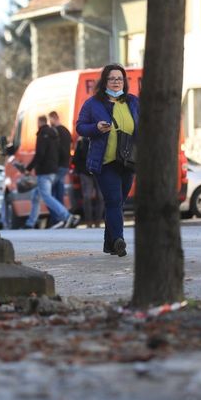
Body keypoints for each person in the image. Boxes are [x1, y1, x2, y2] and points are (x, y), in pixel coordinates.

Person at [75, 64, 139, 257]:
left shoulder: (133, 102)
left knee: (118, 203)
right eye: (112, 79)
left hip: (128, 161)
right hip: (106, 161)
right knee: (113, 200)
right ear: (104, 81)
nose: (116, 82)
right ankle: (119, 239)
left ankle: (109, 244)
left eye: (120, 79)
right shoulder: (93, 103)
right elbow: (80, 127)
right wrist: (95, 128)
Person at [24, 115, 79, 229]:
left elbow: (40, 154)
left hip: (44, 171)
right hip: (53, 169)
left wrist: (28, 168)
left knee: (47, 197)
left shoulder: (42, 134)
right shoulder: (54, 134)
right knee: (36, 196)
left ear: (39, 122)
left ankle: (67, 216)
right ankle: (30, 223)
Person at [72, 136, 103, 227]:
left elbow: (75, 160)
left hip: (97, 172)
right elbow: (76, 159)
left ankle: (96, 221)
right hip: (88, 172)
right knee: (89, 197)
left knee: (97, 197)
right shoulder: (82, 142)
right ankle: (90, 221)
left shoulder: (84, 141)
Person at [48, 111, 72, 204]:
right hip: (65, 164)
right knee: (59, 188)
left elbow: (54, 149)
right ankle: (61, 213)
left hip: (57, 164)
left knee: (51, 190)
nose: (49, 122)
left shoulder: (55, 131)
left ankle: (58, 215)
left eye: (50, 120)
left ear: (54, 118)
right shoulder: (66, 131)